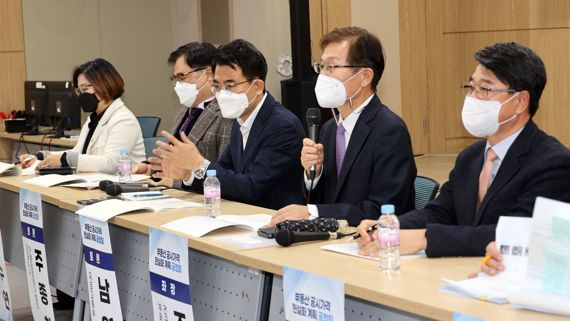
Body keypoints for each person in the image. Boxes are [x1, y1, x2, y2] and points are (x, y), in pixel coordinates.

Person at [356, 42, 570, 257]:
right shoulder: (471, 157)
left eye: (485, 89)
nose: (473, 98)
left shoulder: (552, 162)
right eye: (471, 87)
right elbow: (440, 212)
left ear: (520, 101)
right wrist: (389, 225)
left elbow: (521, 235)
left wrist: (425, 238)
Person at [269, 27, 416, 227]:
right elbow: (326, 198)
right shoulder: (329, 129)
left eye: (332, 67)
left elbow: (383, 209)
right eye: (320, 67)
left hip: (372, 243)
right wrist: (314, 173)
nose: (323, 75)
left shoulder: (389, 130)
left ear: (365, 77)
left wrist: (312, 212)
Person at [151, 39, 306, 210]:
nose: (222, 94)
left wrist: (198, 164)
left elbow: (251, 188)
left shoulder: (282, 126)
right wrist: (188, 174)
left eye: (230, 85)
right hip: (246, 216)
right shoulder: (241, 120)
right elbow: (224, 175)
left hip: (275, 220)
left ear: (257, 87)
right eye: (217, 86)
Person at [20, 58, 145, 174]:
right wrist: (42, 156)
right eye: (78, 90)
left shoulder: (123, 119)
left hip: (120, 188)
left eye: (85, 88)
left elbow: (111, 163)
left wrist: (66, 159)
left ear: (105, 84)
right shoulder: (93, 119)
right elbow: (76, 153)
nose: (81, 95)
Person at [135, 42, 233, 187]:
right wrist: (151, 169)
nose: (178, 85)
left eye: (182, 77)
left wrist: (177, 182)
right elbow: (173, 162)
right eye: (175, 79)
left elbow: (225, 174)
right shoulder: (184, 110)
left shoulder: (227, 113)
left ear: (208, 74)